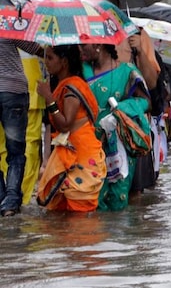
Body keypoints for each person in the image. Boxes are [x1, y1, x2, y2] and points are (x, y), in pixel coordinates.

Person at [81, 43, 151, 211]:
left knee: (117, 198)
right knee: (88, 198)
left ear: (98, 45)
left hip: (118, 145)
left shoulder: (128, 71)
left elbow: (146, 102)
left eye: (84, 46)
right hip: (87, 144)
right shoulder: (81, 71)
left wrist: (120, 110)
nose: (81, 50)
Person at [36, 45, 107, 212]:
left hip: (81, 155)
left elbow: (65, 124)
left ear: (64, 62)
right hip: (74, 152)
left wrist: (48, 98)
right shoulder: (67, 85)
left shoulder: (71, 87)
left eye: (50, 58)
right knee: (66, 215)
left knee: (78, 216)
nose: (46, 62)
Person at [0, 39, 42, 216]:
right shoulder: (7, 24)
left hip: (12, 92)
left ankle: (3, 197)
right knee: (16, 152)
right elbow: (35, 49)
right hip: (13, 92)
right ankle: (10, 201)